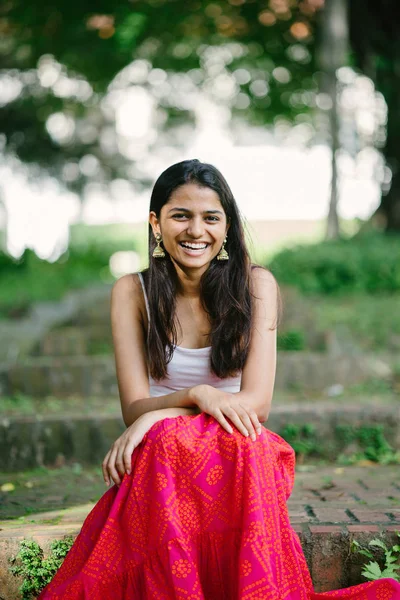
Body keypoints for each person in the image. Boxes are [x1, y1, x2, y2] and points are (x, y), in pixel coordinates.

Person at [38, 159, 400, 599]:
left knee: (223, 439)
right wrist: (198, 394)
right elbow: (134, 409)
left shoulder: (256, 286)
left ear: (227, 227)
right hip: (166, 459)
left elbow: (256, 405)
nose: (196, 231)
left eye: (211, 218)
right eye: (180, 216)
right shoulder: (131, 292)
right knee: (168, 439)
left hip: (240, 452)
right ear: (156, 223)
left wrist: (170, 409)